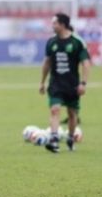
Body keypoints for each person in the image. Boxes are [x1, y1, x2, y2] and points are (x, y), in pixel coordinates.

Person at [38, 13, 92, 153]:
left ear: (62, 25)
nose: (52, 25)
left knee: (72, 113)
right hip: (56, 84)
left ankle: (70, 139)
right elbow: (47, 63)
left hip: (72, 85)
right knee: (54, 110)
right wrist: (42, 82)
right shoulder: (51, 42)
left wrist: (83, 83)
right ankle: (54, 141)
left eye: (55, 23)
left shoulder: (77, 42)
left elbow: (86, 63)